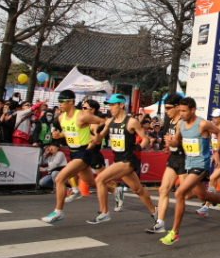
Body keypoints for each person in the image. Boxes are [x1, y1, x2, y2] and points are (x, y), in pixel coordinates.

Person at [160, 97, 220, 245]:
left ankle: (174, 232)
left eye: (184, 111)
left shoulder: (202, 123)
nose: (181, 113)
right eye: (180, 110)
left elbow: (219, 133)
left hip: (201, 164)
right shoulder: (180, 124)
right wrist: (171, 143)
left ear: (193, 110)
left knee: (180, 193)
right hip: (188, 163)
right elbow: (178, 141)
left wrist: (216, 152)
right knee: (202, 195)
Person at [40, 90, 105, 223]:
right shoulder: (60, 117)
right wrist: (59, 135)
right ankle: (116, 192)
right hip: (73, 152)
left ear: (71, 102)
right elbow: (68, 130)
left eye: (63, 102)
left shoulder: (82, 116)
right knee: (91, 182)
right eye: (59, 102)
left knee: (59, 178)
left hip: (84, 152)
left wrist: (96, 138)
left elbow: (102, 121)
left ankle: (58, 212)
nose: (60, 104)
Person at [91, 94, 157, 224]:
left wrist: (139, 147)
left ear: (121, 105)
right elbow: (99, 140)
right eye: (109, 105)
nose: (111, 108)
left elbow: (145, 138)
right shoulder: (109, 122)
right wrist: (97, 133)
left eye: (113, 105)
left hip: (128, 160)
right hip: (118, 160)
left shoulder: (131, 121)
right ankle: (156, 212)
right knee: (138, 190)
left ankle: (104, 212)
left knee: (100, 179)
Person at [146, 93, 186, 234]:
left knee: (188, 194)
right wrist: (169, 147)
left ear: (177, 107)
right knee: (163, 190)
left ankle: (215, 199)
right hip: (173, 159)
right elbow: (174, 142)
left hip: (184, 160)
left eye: (169, 108)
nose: (167, 110)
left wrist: (174, 143)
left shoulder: (182, 122)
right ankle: (160, 223)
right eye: (165, 108)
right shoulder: (170, 122)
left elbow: (185, 142)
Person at [197, 108, 220, 216]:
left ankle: (206, 206)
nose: (214, 119)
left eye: (216, 117)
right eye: (212, 117)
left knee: (212, 178)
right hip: (215, 157)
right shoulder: (211, 129)